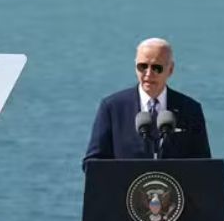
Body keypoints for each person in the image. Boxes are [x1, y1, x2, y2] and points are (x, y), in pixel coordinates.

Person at [83, 38, 211, 168]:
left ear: (170, 69)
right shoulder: (112, 108)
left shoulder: (190, 109)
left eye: (157, 68)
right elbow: (93, 163)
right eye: (142, 67)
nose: (148, 74)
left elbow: (204, 166)